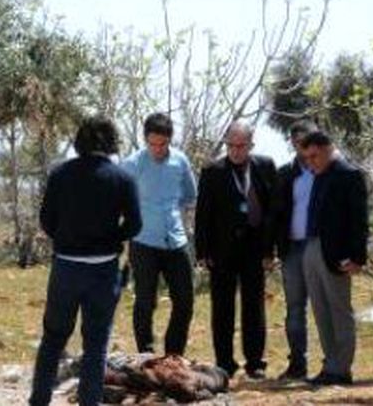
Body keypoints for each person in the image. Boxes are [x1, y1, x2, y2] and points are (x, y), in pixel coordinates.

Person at [29, 116, 142, 406]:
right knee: (96, 344)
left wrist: (67, 239)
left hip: (66, 267)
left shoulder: (60, 174)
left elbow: (46, 221)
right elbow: (135, 225)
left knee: (53, 338)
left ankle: (39, 400)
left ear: (79, 141)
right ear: (112, 142)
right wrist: (111, 238)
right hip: (103, 271)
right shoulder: (122, 178)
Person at [195, 121, 277, 379]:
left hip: (255, 249)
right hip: (222, 250)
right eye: (231, 145)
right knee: (222, 308)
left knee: (254, 306)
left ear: (251, 145)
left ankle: (255, 363)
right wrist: (202, 252)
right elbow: (203, 214)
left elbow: (273, 211)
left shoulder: (265, 166)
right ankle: (224, 363)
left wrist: (270, 250)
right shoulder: (212, 170)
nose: (236, 150)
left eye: (241, 146)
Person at [122, 112, 198, 356]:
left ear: (169, 140)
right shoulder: (132, 164)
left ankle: (174, 355)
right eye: (152, 143)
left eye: (162, 144)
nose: (157, 149)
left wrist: (174, 212)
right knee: (145, 301)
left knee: (185, 300)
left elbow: (189, 194)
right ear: (145, 140)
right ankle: (146, 354)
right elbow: (120, 200)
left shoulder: (180, 161)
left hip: (176, 240)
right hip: (144, 240)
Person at [298, 129, 370, 386]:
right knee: (319, 310)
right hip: (313, 246)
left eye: (314, 156)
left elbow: (359, 220)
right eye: (306, 158)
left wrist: (357, 257)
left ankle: (342, 368)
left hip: (337, 253)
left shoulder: (348, 174)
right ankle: (330, 364)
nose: (310, 162)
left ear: (328, 149)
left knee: (339, 310)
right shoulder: (319, 174)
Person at [270, 119, 320, 381]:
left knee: (324, 306)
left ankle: (332, 364)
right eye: (297, 142)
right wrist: (273, 249)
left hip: (320, 246)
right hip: (292, 248)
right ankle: (297, 363)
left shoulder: (327, 170)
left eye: (306, 140)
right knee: (295, 307)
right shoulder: (285, 174)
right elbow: (275, 214)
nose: (302, 147)